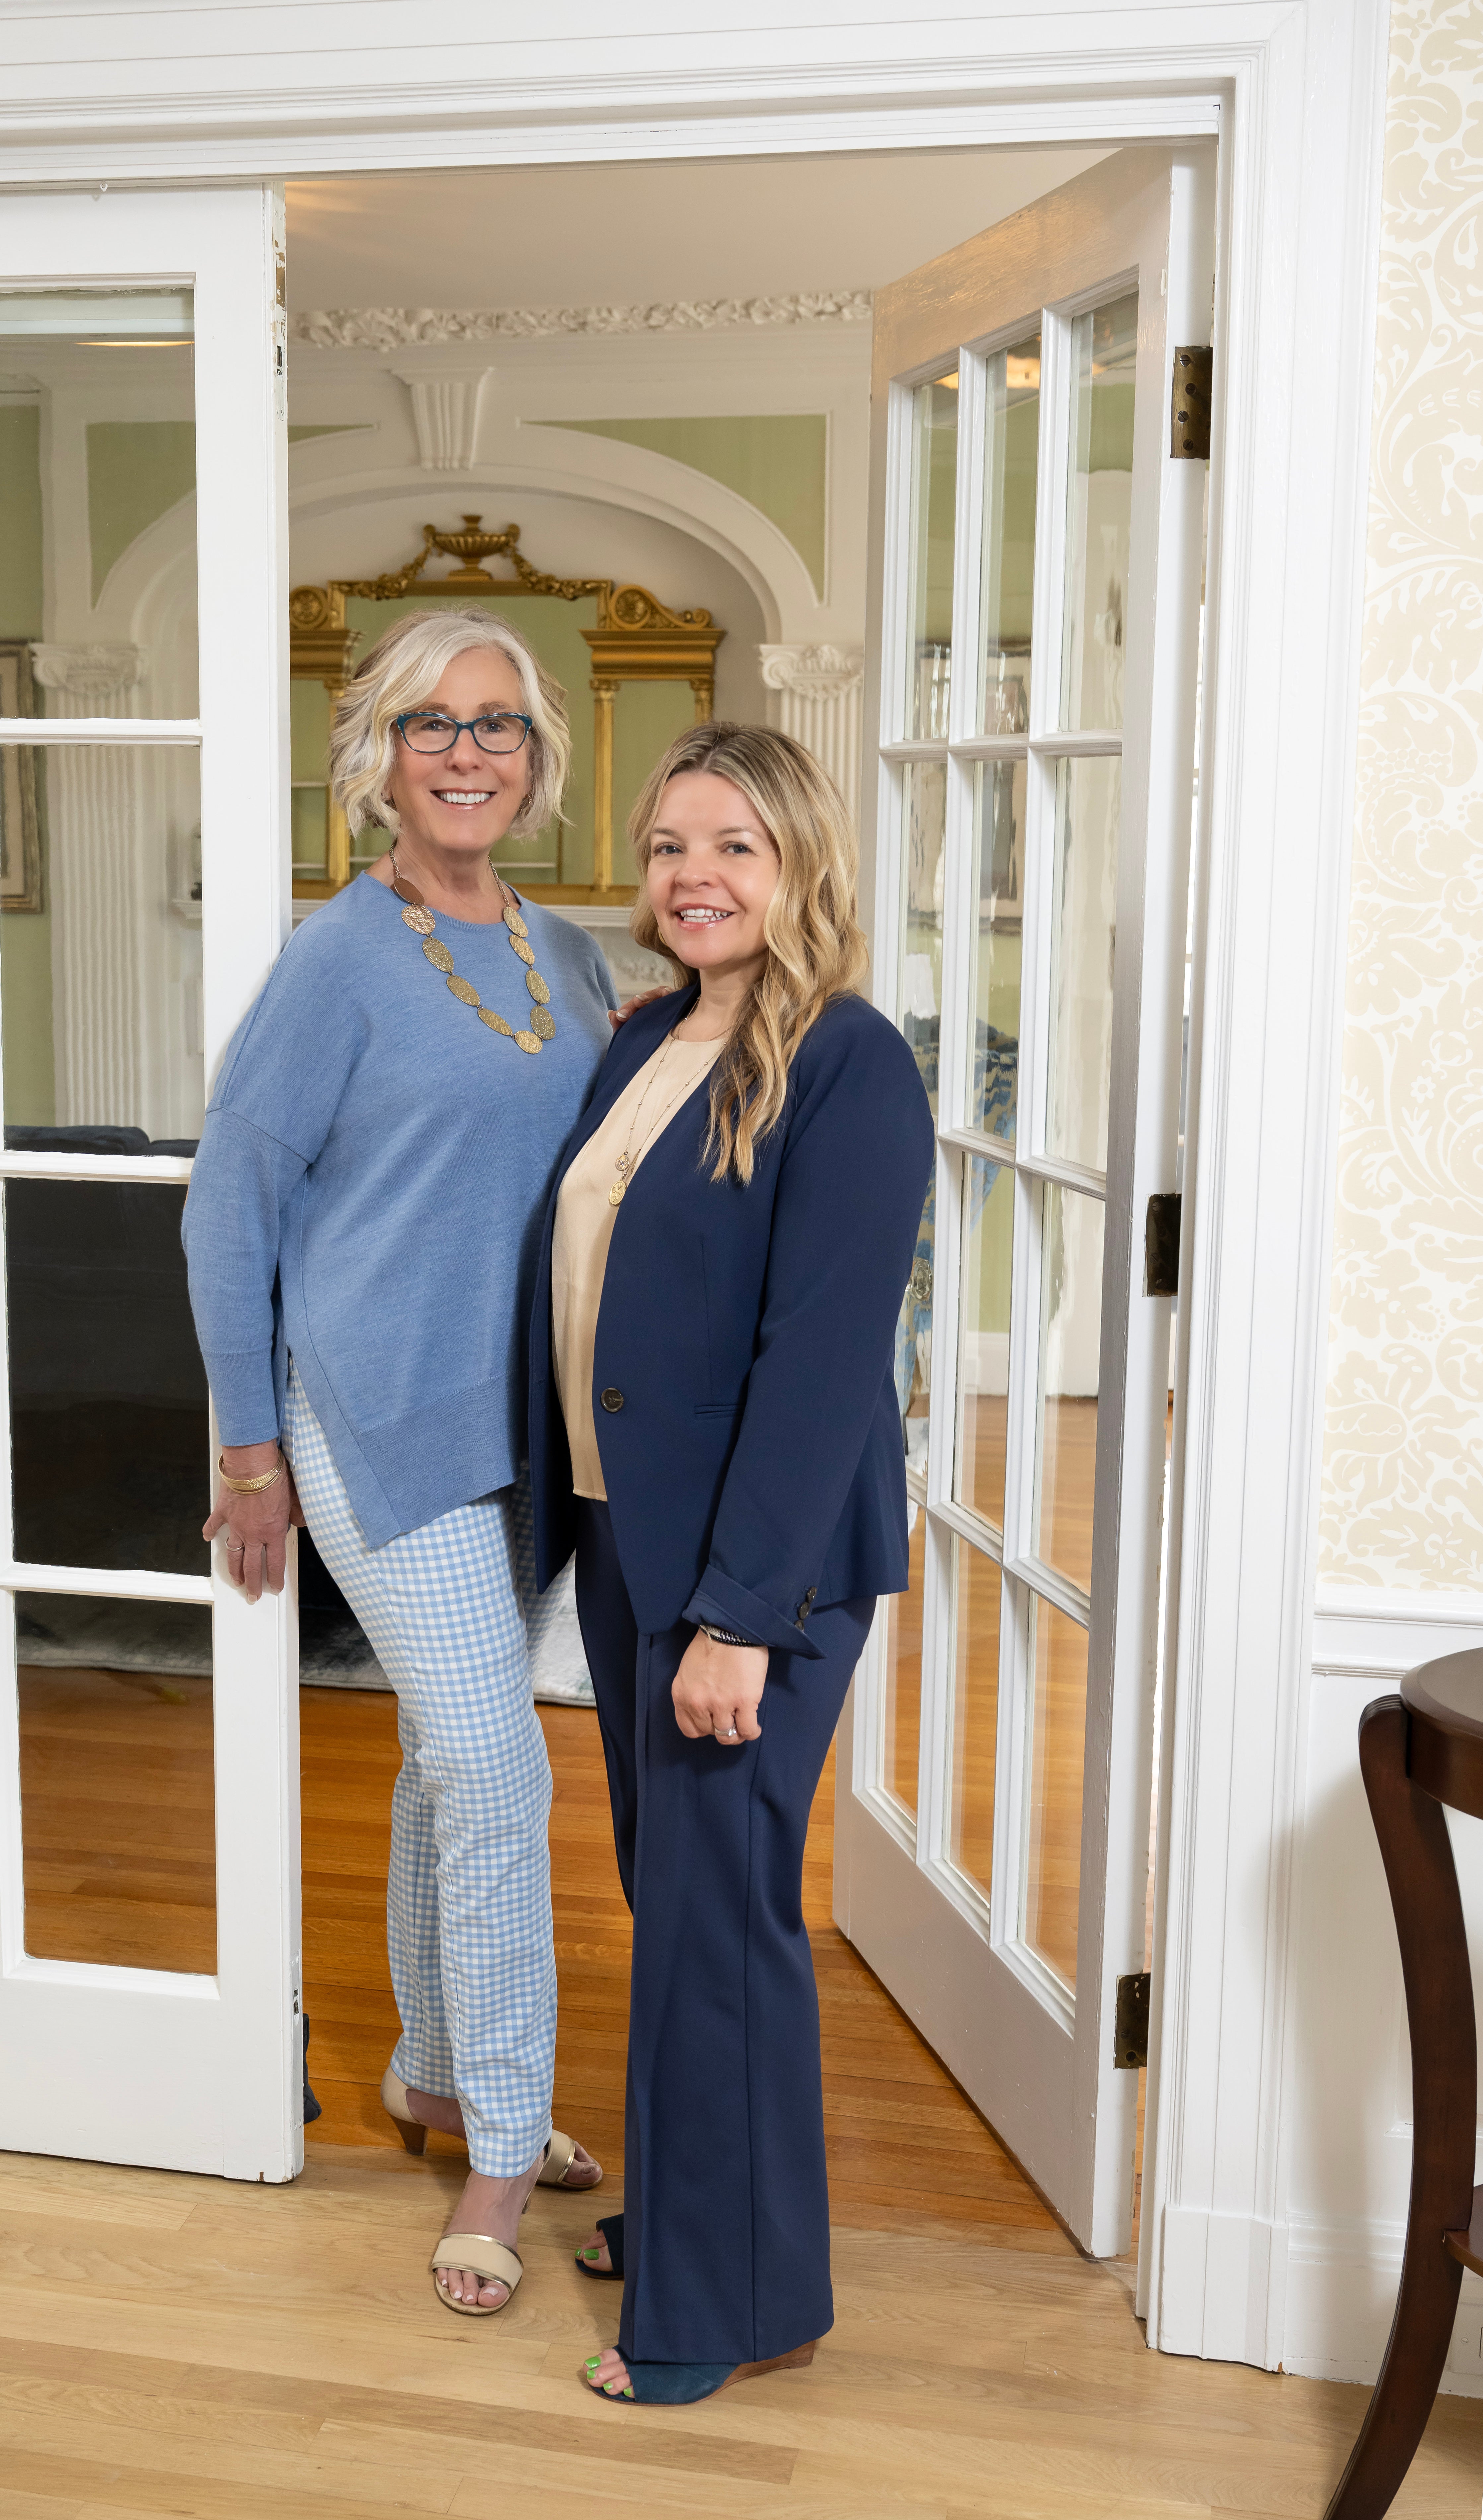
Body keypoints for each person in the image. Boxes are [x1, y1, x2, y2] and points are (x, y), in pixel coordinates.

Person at [185, 606, 625, 2318]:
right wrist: (247, 1452)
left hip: (523, 1427)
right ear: (375, 755)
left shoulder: (564, 953)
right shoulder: (338, 959)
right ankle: (502, 2149)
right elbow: (229, 1209)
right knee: (498, 1770)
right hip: (375, 1414)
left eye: (496, 723)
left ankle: (433, 2075)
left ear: (537, 758)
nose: (465, 751)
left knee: (448, 1759)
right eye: (430, 722)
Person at [528, 722, 933, 2404]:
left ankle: (716, 2315)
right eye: (670, 845)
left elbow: (822, 1356)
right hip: (633, 1532)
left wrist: (740, 1618)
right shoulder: (646, 1037)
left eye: (734, 846)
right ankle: (714, 2224)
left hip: (751, 1572)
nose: (694, 875)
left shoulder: (847, 1061)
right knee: (681, 1901)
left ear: (798, 864)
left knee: (717, 1922)